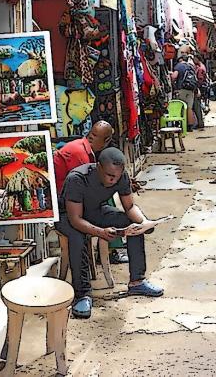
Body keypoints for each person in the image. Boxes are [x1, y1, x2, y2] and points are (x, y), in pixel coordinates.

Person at [56, 148, 163, 319]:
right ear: (98, 167)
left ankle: (137, 280)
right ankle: (82, 294)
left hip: (94, 210)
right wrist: (100, 232)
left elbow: (129, 207)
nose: (113, 180)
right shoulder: (77, 179)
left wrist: (143, 222)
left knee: (132, 224)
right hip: (67, 216)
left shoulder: (121, 176)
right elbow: (75, 219)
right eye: (109, 176)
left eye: (117, 177)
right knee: (77, 237)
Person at [53, 122, 129, 264]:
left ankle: (113, 248)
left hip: (73, 200)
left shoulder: (83, 148)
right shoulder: (79, 154)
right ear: (106, 141)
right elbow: (83, 190)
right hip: (64, 206)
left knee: (121, 215)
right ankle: (111, 250)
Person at [171, 56, 198, 131]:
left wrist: (172, 80)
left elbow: (174, 76)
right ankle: (190, 126)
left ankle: (182, 126)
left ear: (180, 60)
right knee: (189, 108)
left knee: (181, 107)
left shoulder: (179, 66)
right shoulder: (191, 66)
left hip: (182, 89)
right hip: (191, 89)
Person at [193, 56, 208, 129]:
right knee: (198, 105)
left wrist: (197, 88)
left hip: (199, 88)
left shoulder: (200, 68)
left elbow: (200, 79)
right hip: (200, 87)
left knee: (197, 105)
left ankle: (199, 122)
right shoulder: (200, 67)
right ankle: (199, 122)